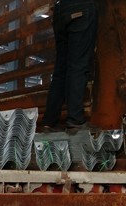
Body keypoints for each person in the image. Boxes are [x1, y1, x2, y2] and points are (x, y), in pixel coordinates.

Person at [40, 0, 98, 133]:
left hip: (60, 9)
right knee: (78, 65)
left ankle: (49, 122)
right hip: (81, 8)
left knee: (61, 69)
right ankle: (75, 120)